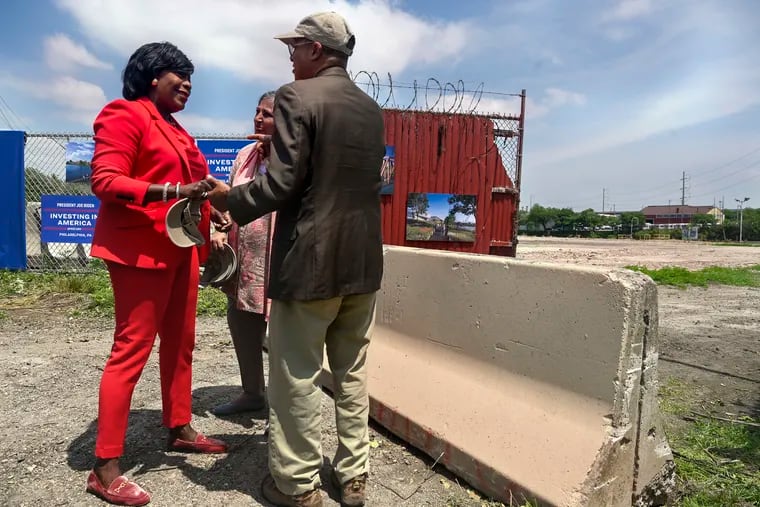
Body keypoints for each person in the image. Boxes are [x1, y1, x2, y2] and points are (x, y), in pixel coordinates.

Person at [207, 11, 384, 507]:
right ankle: (353, 478)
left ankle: (296, 485)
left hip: (309, 263)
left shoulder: (296, 97)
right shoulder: (371, 108)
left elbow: (283, 183)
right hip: (363, 264)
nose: (290, 55)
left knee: (295, 376)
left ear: (318, 51)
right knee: (351, 373)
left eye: (296, 45)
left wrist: (230, 199)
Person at [86, 41, 228, 507]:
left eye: (190, 77)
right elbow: (105, 181)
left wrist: (213, 213)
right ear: (151, 75)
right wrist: (171, 188)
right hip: (139, 252)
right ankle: (105, 467)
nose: (187, 83)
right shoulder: (124, 113)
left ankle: (180, 426)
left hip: (180, 250)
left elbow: (195, 186)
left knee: (182, 342)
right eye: (177, 74)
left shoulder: (175, 129)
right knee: (131, 350)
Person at [210, 91, 277, 416]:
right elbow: (232, 200)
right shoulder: (245, 155)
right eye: (256, 111)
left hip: (280, 264)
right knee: (242, 323)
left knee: (283, 338)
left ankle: (281, 410)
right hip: (247, 264)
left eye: (267, 114)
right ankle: (253, 393)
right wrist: (221, 228)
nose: (258, 118)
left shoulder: (293, 159)